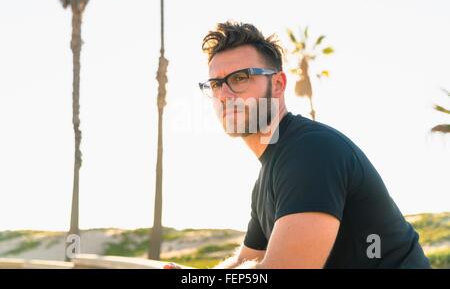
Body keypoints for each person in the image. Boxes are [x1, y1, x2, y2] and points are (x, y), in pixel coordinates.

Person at [164, 21, 430, 269]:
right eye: (215, 84)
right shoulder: (268, 174)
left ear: (278, 84)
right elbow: (246, 260)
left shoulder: (312, 151)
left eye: (240, 78)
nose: (223, 94)